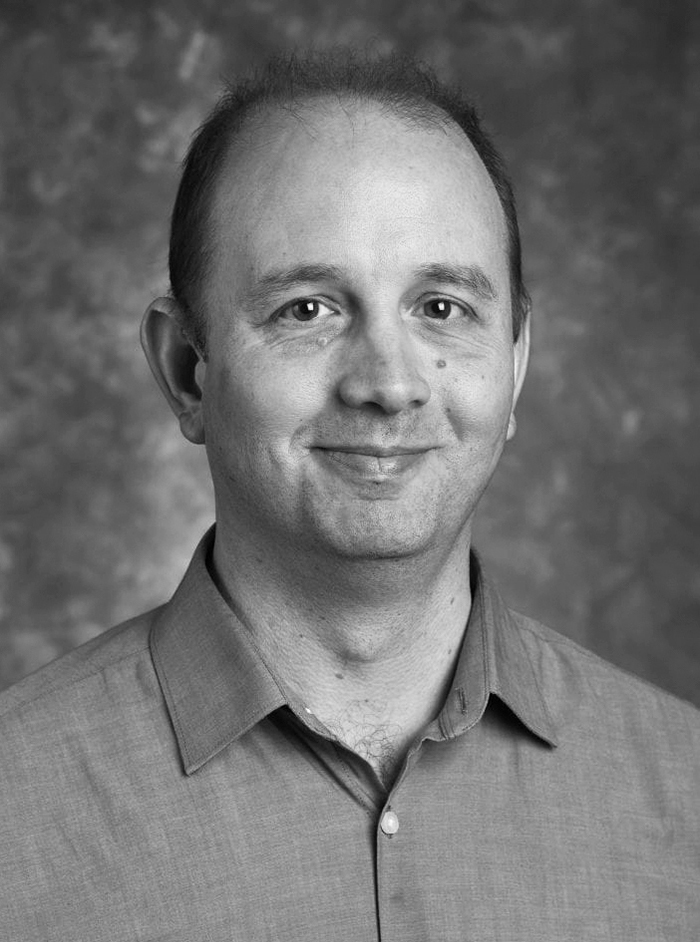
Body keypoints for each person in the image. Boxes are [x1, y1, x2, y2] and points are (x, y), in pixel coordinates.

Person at [1, 51, 698, 942]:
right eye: (307, 309)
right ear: (187, 371)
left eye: (442, 308)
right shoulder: (14, 810)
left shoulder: (687, 797)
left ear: (515, 367)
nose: (388, 384)